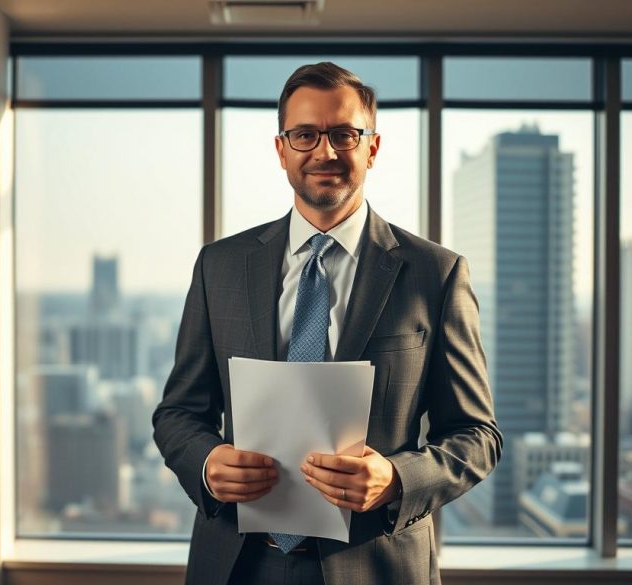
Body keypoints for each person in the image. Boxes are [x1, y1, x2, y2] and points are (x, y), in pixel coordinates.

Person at [152, 61, 502, 585]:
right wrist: (206, 463)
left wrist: (395, 479)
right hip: (238, 564)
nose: (325, 152)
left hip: (375, 564)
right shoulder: (219, 266)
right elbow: (178, 412)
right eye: (305, 135)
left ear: (372, 147)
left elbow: (478, 436)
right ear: (281, 149)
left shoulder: (436, 274)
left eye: (344, 134)